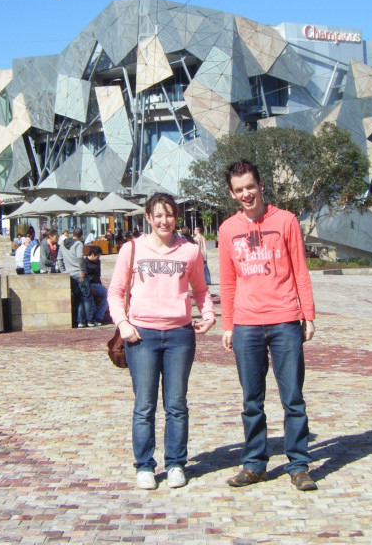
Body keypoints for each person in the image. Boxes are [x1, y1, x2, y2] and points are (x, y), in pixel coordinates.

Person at [218, 159, 318, 492]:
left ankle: (299, 464)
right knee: (251, 400)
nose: (246, 193)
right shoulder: (227, 230)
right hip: (246, 325)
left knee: (293, 398)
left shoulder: (286, 221)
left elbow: (300, 269)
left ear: (261, 185)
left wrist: (308, 314)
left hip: (285, 320)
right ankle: (254, 464)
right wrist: (228, 324)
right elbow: (228, 281)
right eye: (239, 189)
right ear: (232, 194)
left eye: (250, 186)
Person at [107, 192, 215, 490]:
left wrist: (208, 315)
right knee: (144, 404)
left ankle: (176, 463)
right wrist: (123, 323)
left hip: (180, 335)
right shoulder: (132, 249)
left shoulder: (189, 251)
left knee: (176, 404)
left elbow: (201, 289)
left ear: (175, 217)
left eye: (169, 214)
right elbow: (115, 292)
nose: (164, 220)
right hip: (142, 336)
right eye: (158, 215)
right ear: (149, 218)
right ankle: (144, 465)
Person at [58, 227, 97, 328]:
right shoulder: (78, 244)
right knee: (87, 297)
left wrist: (63, 271)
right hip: (79, 275)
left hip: (70, 274)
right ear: (81, 236)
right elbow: (79, 257)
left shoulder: (62, 245)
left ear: (72, 234)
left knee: (78, 298)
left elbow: (59, 259)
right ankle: (90, 321)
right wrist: (82, 270)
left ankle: (80, 321)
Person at [84, 245, 108, 324]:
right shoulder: (84, 262)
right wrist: (89, 287)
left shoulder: (98, 262)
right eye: (97, 256)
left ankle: (99, 316)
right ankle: (93, 317)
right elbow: (84, 277)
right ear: (92, 254)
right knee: (89, 297)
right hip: (88, 284)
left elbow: (98, 275)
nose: (98, 258)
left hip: (97, 284)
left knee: (109, 294)